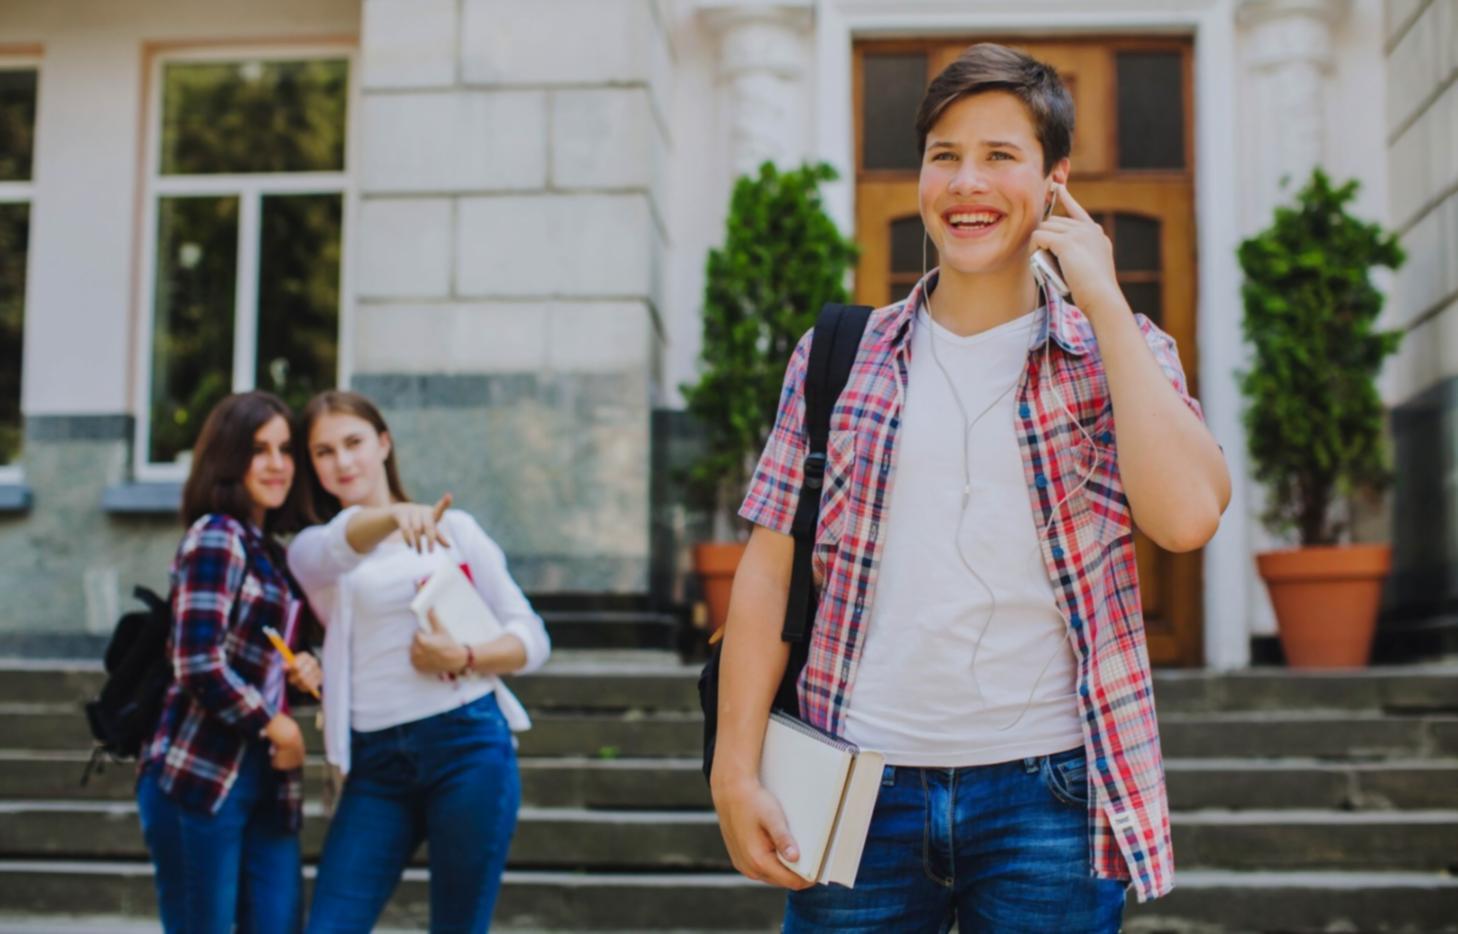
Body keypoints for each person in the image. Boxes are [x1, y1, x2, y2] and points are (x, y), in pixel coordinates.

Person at [710, 42, 1230, 932]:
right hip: (855, 793)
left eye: (999, 156)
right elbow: (768, 568)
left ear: (1056, 181)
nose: (965, 183)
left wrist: (1101, 299)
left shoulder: (1114, 353)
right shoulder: (841, 353)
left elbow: (1185, 520)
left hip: (1051, 796)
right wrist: (735, 766)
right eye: (944, 155)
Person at [287, 389, 550, 933]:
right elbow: (341, 543)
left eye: (354, 442)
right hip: (375, 765)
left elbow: (532, 637)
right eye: (324, 451)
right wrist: (391, 517)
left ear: (384, 443)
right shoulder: (314, 550)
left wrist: (465, 654)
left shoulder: (456, 531)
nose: (342, 461)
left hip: (468, 746)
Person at [136, 390, 314, 933]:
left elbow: (257, 662)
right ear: (228, 456)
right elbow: (196, 661)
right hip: (202, 772)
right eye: (260, 449)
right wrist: (275, 723)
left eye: (286, 450)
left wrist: (301, 675)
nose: (278, 464)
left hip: (266, 776)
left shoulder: (271, 552)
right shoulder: (217, 536)